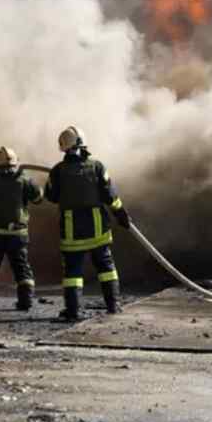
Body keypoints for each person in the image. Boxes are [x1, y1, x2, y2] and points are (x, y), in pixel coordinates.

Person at [44, 126, 131, 321]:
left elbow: (51, 197)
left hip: (72, 231)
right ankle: (113, 306)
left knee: (73, 273)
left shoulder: (57, 171)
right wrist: (121, 214)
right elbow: (110, 196)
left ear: (63, 147)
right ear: (84, 145)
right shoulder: (97, 167)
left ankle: (73, 311)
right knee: (106, 267)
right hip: (97, 228)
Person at [0, 147, 44, 314]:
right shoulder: (25, 181)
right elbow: (38, 198)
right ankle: (25, 301)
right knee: (21, 268)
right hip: (17, 235)